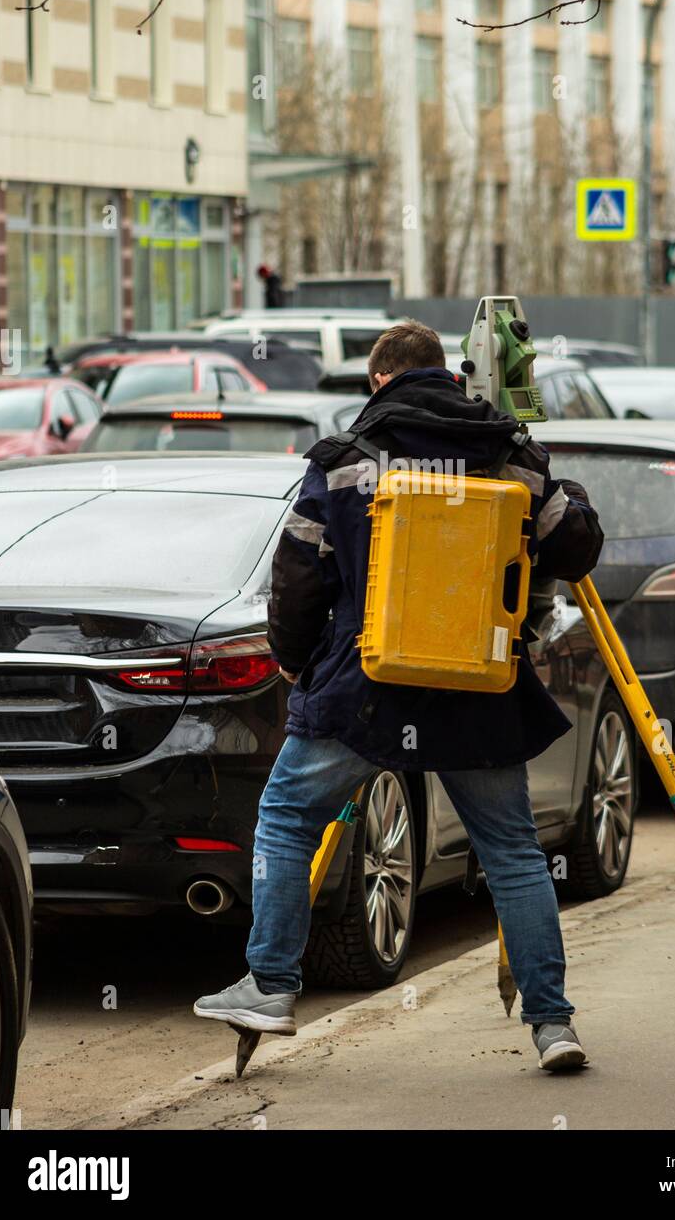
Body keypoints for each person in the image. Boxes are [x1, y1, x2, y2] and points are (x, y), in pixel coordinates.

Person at [194, 321, 604, 1071]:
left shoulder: (347, 462)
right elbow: (575, 550)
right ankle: (553, 1026)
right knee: (513, 852)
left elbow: (296, 582)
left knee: (287, 819)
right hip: (478, 684)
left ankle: (273, 988)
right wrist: (561, 487)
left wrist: (298, 668)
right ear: (449, 375)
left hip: (367, 686)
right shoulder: (510, 454)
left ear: (378, 382)